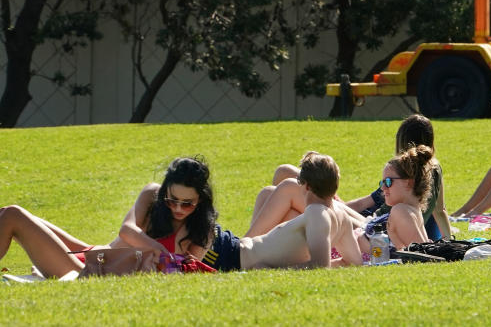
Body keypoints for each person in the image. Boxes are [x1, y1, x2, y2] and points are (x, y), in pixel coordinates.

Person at [0, 156, 217, 279]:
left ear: (201, 200)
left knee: (12, 215)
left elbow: (185, 273)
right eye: (171, 200)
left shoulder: (201, 230)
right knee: (4, 213)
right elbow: (127, 231)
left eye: (187, 204)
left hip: (93, 270)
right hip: (94, 253)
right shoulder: (152, 194)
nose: (178, 208)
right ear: (164, 192)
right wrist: (162, 251)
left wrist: (164, 256)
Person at [248, 114, 452, 240]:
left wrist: (331, 202)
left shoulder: (403, 175)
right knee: (274, 192)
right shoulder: (432, 169)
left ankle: (243, 247)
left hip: (367, 226)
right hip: (365, 221)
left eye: (387, 183)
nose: (386, 186)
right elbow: (439, 211)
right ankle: (251, 247)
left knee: (286, 182)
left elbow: (373, 213)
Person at [212, 152, 364, 271]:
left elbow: (319, 266)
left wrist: (272, 271)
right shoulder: (342, 218)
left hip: (231, 255)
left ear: (307, 187)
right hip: (234, 250)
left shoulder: (316, 213)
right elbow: (354, 262)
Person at [359, 145, 436, 252]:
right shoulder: (411, 211)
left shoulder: (402, 211)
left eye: (388, 182)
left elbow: (422, 256)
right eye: (382, 182)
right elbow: (423, 252)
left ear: (409, 183)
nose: (383, 187)